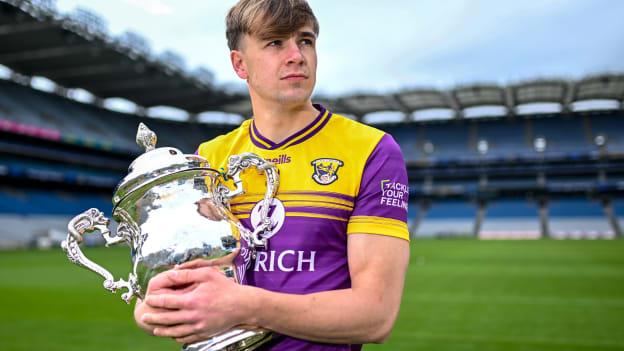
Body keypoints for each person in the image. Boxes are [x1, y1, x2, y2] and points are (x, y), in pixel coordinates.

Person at [133, 0, 410, 350]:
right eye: (275, 42)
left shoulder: (371, 151)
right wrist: (156, 306)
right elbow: (186, 280)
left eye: (305, 41)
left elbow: (375, 315)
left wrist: (243, 304)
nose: (296, 54)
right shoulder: (208, 158)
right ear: (240, 64)